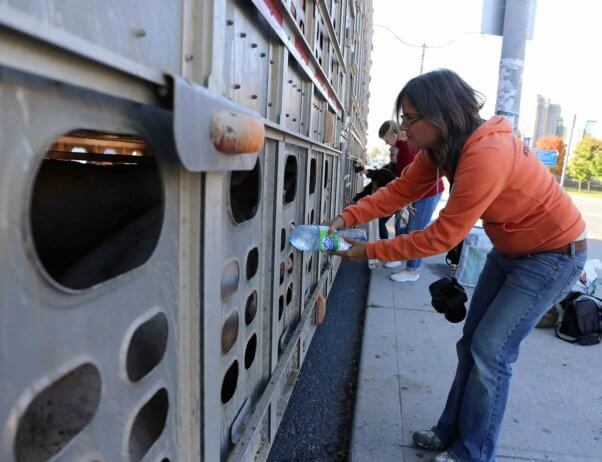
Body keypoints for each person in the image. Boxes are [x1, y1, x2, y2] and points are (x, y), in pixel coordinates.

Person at [326, 69, 587, 462]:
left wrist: (369, 251)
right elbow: (399, 190)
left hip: (553, 255)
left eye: (411, 119)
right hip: (512, 250)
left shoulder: (487, 155)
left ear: (439, 114)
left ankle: (473, 453)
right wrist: (347, 218)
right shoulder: (442, 150)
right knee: (471, 343)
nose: (405, 131)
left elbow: (441, 236)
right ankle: (450, 431)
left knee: (492, 350)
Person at [379, 120, 446, 281]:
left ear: (393, 135)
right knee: (402, 226)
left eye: (386, 139)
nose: (386, 143)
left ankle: (412, 271)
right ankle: (400, 256)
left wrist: (407, 200)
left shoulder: (405, 150)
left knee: (416, 231)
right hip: (420, 192)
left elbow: (412, 179)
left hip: (429, 192)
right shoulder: (402, 148)